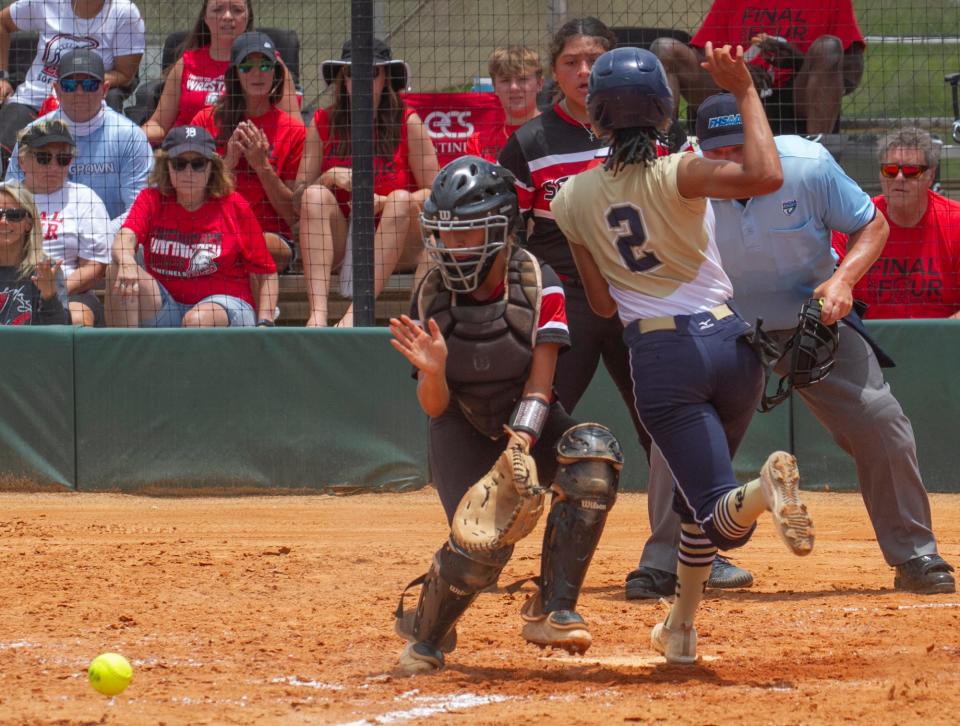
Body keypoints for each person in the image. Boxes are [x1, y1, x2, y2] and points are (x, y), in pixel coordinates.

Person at [551, 43, 821, 665]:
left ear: (595, 117)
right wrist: (747, 90)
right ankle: (682, 628)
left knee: (724, 515)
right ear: (665, 113)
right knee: (697, 509)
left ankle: (764, 493)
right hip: (733, 343)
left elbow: (599, 303)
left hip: (663, 353)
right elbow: (766, 174)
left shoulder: (569, 199)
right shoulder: (684, 168)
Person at [627, 94, 956, 605]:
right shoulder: (680, 180)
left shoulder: (807, 165)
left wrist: (844, 280)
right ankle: (666, 561)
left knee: (881, 419)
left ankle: (915, 552)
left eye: (741, 146)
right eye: (719, 151)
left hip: (813, 316)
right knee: (680, 423)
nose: (731, 160)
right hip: (723, 323)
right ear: (698, 147)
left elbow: (873, 224)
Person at [389, 155, 623, 675]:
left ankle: (553, 607)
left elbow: (543, 385)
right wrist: (434, 371)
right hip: (461, 423)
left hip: (528, 415)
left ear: (502, 230)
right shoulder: (431, 290)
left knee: (593, 456)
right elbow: (435, 407)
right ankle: (425, 633)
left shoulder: (541, 283)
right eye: (446, 235)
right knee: (482, 543)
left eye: (470, 234)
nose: (455, 247)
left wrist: (518, 451)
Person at [296, 37, 438, 327]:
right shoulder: (322, 122)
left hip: (398, 239)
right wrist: (327, 178)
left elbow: (437, 195)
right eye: (351, 72)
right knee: (313, 195)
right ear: (343, 79)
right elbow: (296, 199)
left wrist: (383, 203)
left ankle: (354, 315)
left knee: (400, 199)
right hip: (339, 241)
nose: (360, 80)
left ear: (385, 78)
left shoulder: (407, 121)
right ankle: (318, 316)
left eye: (371, 72)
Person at [106, 125, 277, 328]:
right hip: (168, 304)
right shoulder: (151, 199)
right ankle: (127, 357)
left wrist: (266, 322)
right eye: (179, 164)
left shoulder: (234, 205)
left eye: (198, 164)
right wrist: (126, 260)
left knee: (196, 321)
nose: (188, 172)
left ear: (211, 166)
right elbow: (126, 237)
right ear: (166, 166)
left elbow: (266, 272)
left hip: (225, 306)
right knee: (115, 271)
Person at [650, 0, 865, 135]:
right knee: (665, 49)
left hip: (798, 94)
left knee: (828, 47)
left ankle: (819, 158)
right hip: (734, 91)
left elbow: (851, 76)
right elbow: (704, 57)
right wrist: (736, 71)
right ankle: (663, 145)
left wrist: (798, 61)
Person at [191, 31, 305, 271]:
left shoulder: (293, 130)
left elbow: (292, 216)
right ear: (234, 73)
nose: (257, 73)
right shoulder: (206, 120)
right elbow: (190, 194)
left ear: (276, 73)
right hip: (212, 229)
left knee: (252, 243)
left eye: (265, 65)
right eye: (247, 66)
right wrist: (228, 163)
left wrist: (262, 166)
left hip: (272, 236)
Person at [6, 49, 153, 233]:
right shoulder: (33, 133)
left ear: (105, 90)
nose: (80, 92)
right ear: (57, 90)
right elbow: (12, 200)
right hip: (42, 239)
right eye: (69, 85)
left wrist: (93, 237)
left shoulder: (129, 136)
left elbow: (139, 209)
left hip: (110, 242)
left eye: (90, 85)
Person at [0, 0, 144, 170]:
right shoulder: (47, 3)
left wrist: (76, 83)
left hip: (84, 100)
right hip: (33, 99)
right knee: (7, 142)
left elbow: (125, 75)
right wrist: (3, 76)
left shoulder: (124, 12)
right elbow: (3, 22)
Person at [834, 128, 960, 319]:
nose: (899, 179)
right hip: (869, 341)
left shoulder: (955, 221)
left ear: (931, 175)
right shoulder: (853, 223)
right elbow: (829, 291)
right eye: (890, 170)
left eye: (911, 171)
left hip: (943, 340)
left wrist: (942, 335)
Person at [142, 0, 299, 147]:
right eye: (218, 9)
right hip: (188, 159)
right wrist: (127, 136)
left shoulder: (269, 66)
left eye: (237, 10)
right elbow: (159, 124)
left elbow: (293, 128)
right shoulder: (187, 63)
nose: (227, 17)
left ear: (248, 16)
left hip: (247, 159)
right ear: (205, 16)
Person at [16, 120, 109, 326]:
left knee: (79, 318)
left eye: (63, 159)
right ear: (22, 161)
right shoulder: (7, 196)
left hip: (70, 292)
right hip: (9, 287)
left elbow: (95, 266)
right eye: (43, 157)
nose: (54, 166)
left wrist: (53, 290)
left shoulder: (85, 198)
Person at [0, 180, 68, 325]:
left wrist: (49, 297)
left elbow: (60, 334)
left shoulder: (45, 269)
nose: (4, 221)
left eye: (14, 215)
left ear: (28, 223)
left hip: (30, 347)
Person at [478, 45, 543, 160]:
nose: (514, 87)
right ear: (494, 87)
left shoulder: (557, 132)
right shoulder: (478, 142)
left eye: (522, 79)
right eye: (505, 80)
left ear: (539, 84)